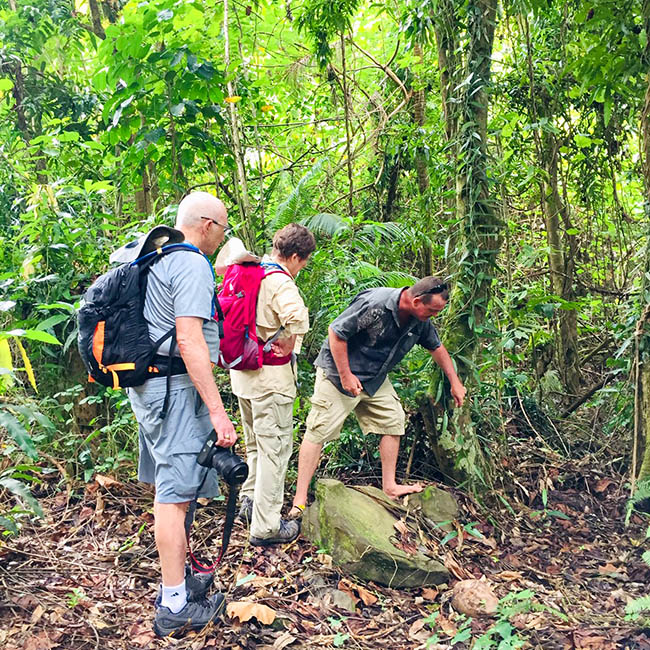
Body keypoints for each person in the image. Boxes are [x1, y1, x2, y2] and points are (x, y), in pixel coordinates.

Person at [125, 192, 237, 637]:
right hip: (172, 390)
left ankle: (180, 582)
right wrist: (218, 412)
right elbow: (190, 342)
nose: (222, 237)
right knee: (174, 496)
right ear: (207, 224)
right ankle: (173, 605)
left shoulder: (151, 256)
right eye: (223, 228)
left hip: (151, 387)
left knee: (176, 486)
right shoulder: (190, 263)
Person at [289, 277, 466, 518]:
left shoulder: (420, 319)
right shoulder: (376, 304)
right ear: (416, 301)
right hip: (337, 374)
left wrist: (455, 381)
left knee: (393, 420)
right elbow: (336, 333)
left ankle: (390, 486)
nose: (434, 316)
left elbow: (437, 348)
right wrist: (346, 375)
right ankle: (299, 501)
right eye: (432, 310)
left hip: (374, 378)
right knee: (318, 431)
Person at [229, 223, 316, 545]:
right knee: (275, 452)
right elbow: (299, 318)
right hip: (271, 382)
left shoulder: (247, 271)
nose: (303, 267)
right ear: (294, 256)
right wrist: (290, 340)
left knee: (254, 446)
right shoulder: (279, 281)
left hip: (243, 377)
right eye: (304, 261)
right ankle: (266, 526)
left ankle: (250, 503)